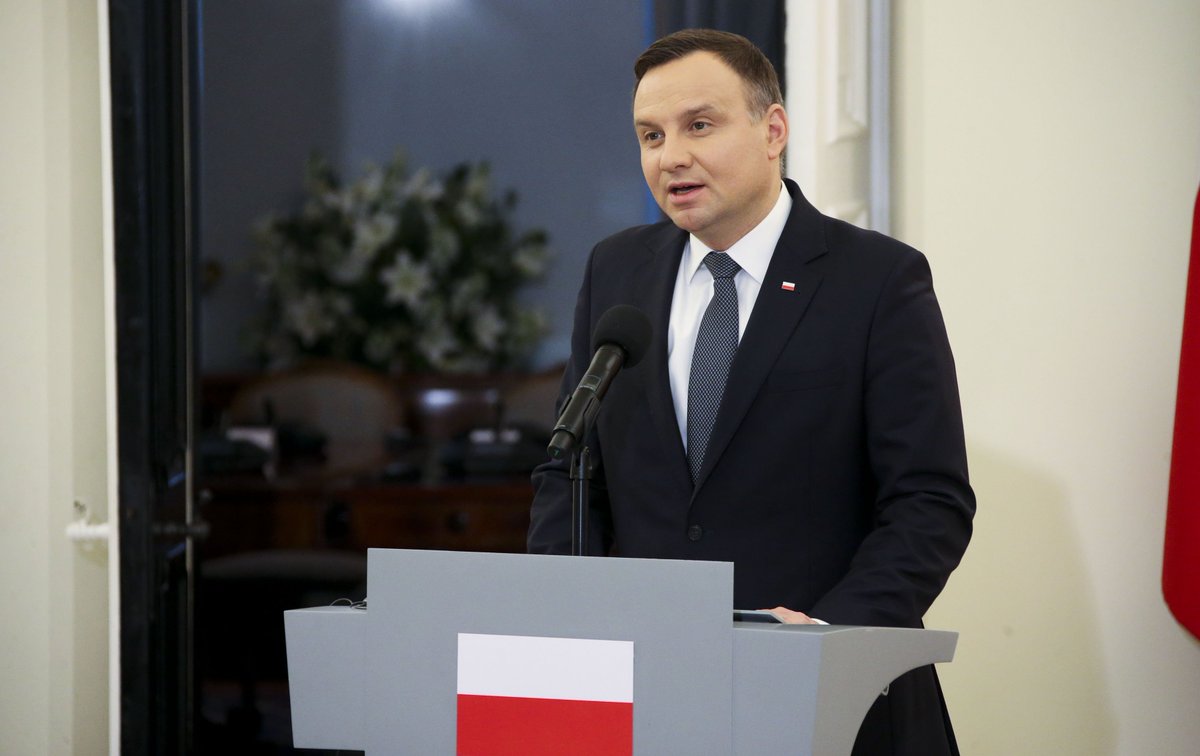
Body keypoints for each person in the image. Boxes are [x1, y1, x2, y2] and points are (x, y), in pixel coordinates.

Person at [528, 28, 974, 755]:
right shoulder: (616, 271)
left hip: (836, 698)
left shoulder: (877, 280)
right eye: (650, 135)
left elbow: (930, 501)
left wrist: (828, 634)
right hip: (653, 691)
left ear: (773, 130)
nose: (671, 156)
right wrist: (564, 620)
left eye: (699, 125)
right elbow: (571, 471)